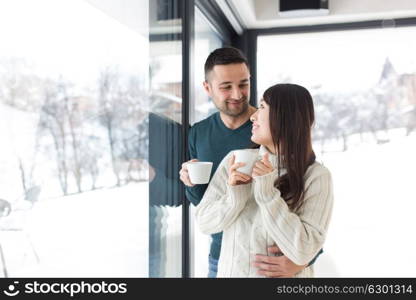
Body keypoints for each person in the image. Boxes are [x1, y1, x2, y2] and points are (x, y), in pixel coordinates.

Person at [179, 47, 322, 278]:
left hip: (273, 261)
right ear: (207, 88)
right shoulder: (199, 133)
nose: (237, 94)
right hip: (223, 255)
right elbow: (205, 204)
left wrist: (303, 261)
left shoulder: (271, 129)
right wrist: (191, 184)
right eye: (226, 87)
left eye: (244, 84)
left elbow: (311, 211)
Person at [195, 83, 334, 277]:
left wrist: (268, 195)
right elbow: (204, 223)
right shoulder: (236, 160)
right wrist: (234, 197)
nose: (253, 116)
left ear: (285, 118)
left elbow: (304, 250)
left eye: (262, 107)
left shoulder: (316, 176)